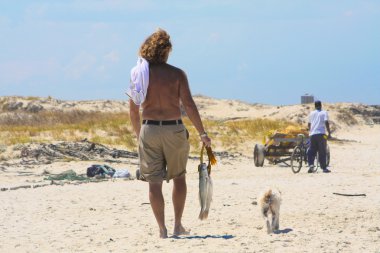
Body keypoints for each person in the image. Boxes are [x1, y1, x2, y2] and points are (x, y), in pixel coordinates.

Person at [128, 29, 211, 238]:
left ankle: (162, 230)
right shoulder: (177, 74)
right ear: (165, 51)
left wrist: (140, 135)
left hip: (150, 128)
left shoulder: (140, 73)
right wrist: (202, 133)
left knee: (154, 182)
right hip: (174, 128)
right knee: (179, 178)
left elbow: (133, 109)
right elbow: (189, 105)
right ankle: (177, 226)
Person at [307, 100, 331, 173]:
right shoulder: (324, 112)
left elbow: (309, 124)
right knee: (322, 151)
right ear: (321, 105)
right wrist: (329, 132)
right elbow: (326, 122)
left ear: (315, 106)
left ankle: (311, 165)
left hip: (312, 134)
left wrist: (310, 130)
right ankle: (324, 168)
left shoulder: (311, 113)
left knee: (311, 150)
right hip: (321, 134)